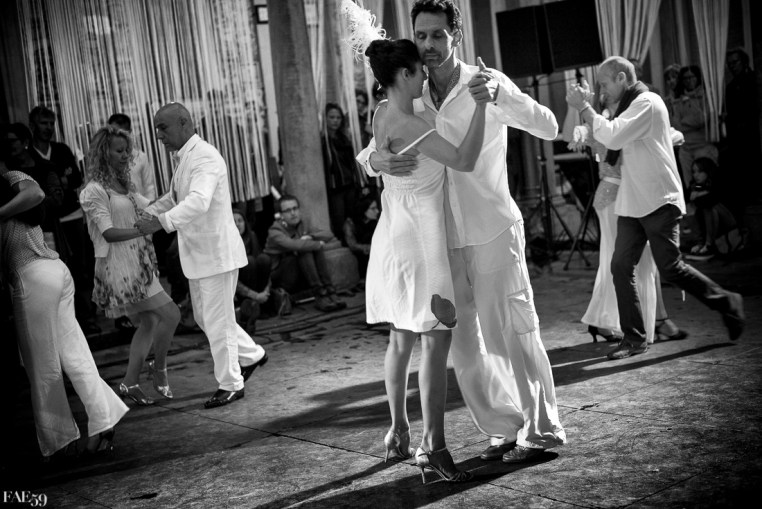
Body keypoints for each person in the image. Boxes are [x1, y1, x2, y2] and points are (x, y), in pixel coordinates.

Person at [358, 0, 566, 464]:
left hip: (491, 227)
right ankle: (502, 428)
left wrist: (500, 95)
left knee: (511, 331)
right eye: (421, 36)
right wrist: (376, 161)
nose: (428, 45)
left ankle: (540, 429)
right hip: (439, 240)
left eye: (437, 35)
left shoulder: (486, 82)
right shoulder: (411, 91)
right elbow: (374, 147)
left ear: (457, 36)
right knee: (467, 347)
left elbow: (550, 127)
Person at [566, 56, 745, 361]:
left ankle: (728, 302)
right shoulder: (628, 106)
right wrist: (587, 126)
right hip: (632, 202)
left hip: (659, 200)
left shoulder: (647, 102)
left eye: (605, 83)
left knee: (671, 268)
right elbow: (609, 134)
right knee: (620, 266)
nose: (602, 90)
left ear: (622, 78)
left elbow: (613, 135)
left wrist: (583, 107)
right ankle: (634, 338)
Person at [136, 102, 268, 409]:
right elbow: (175, 197)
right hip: (201, 255)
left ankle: (231, 384)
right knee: (205, 318)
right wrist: (148, 212)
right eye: (156, 129)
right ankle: (252, 355)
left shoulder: (205, 156)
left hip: (216, 255)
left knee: (218, 321)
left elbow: (198, 201)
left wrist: (160, 222)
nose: (158, 135)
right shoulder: (186, 156)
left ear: (184, 123)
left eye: (162, 127)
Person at [1, 170, 128, 460]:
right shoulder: (14, 179)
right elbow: (35, 193)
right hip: (56, 271)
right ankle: (103, 423)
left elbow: (37, 194)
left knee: (42, 367)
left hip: (31, 278)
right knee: (76, 356)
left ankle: (60, 443)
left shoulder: (10, 184)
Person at [570, 94, 686, 344]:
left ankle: (606, 321)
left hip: (625, 196)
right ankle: (650, 322)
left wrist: (668, 135)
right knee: (634, 263)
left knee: (622, 263)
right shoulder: (609, 122)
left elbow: (674, 135)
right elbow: (589, 130)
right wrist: (580, 132)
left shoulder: (625, 122)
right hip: (615, 198)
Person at [80, 127, 181, 405]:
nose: (126, 156)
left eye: (127, 150)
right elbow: (108, 233)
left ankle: (130, 382)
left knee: (149, 321)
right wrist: (142, 230)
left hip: (139, 262)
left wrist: (179, 188)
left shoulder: (124, 183)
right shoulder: (93, 190)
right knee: (171, 314)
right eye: (119, 151)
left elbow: (152, 207)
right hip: (120, 268)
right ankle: (159, 368)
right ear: (104, 153)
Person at [29, 106, 98, 334]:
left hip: (71, 215)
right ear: (33, 125)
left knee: (80, 266)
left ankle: (86, 316)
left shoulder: (61, 150)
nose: (48, 128)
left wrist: (59, 182)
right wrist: (59, 180)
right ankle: (61, 320)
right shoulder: (29, 155)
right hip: (45, 222)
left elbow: (76, 177)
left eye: (51, 123)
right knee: (53, 271)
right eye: (44, 123)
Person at [263, 194, 346, 313]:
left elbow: (328, 234)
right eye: (288, 210)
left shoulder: (302, 224)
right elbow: (294, 245)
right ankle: (320, 294)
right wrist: (318, 244)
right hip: (280, 276)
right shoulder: (274, 231)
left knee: (308, 246)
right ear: (280, 215)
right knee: (305, 249)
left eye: (295, 208)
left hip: (302, 271)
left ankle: (329, 290)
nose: (293, 213)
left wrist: (311, 237)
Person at [671, 65, 718, 190]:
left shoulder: (706, 96)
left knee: (706, 182)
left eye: (692, 77)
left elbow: (702, 119)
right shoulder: (678, 99)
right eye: (686, 78)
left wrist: (684, 121)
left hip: (703, 145)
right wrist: (691, 123)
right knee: (691, 184)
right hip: (686, 148)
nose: (689, 80)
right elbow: (676, 125)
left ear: (698, 78)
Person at [323, 103, 364, 239]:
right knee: (338, 219)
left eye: (338, 117)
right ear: (325, 118)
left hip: (349, 184)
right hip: (334, 187)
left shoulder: (344, 138)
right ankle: (342, 243)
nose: (335, 121)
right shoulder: (323, 140)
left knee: (352, 216)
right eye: (332, 117)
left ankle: (353, 243)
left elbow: (352, 162)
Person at [685, 157, 737, 261]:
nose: (696, 175)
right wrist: (700, 193)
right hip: (707, 222)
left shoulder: (717, 181)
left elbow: (712, 199)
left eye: (700, 171)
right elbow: (688, 197)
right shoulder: (695, 185)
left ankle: (709, 246)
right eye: (694, 172)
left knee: (709, 207)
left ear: (707, 171)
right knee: (690, 207)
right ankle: (700, 243)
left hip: (726, 221)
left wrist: (700, 194)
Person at [232, 206, 271, 331]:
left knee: (264, 259)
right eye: (233, 221)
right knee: (249, 262)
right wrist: (255, 296)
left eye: (240, 220)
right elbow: (232, 279)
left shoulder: (252, 236)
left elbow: (267, 273)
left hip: (259, 290)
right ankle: (250, 307)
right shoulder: (226, 243)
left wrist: (265, 292)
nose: (237, 224)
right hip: (240, 291)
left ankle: (261, 306)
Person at [107, 113, 157, 201]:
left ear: (129, 132)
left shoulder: (141, 157)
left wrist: (149, 206)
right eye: (114, 133)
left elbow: (149, 187)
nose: (118, 137)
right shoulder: (104, 159)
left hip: (141, 206)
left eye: (122, 134)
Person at [342, 195, 379, 279]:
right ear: (363, 210)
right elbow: (352, 244)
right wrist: (371, 248)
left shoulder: (375, 222)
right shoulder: (350, 223)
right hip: (361, 252)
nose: (377, 211)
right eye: (373, 208)